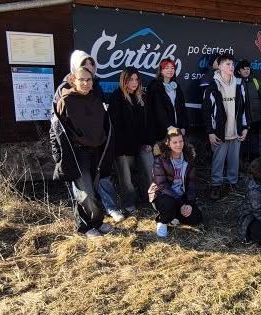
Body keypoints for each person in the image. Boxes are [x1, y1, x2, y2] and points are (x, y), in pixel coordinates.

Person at [54, 50, 121, 220]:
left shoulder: (95, 91)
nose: (89, 67)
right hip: (77, 151)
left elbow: (102, 119)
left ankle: (99, 219)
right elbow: (56, 126)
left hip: (96, 148)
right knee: (83, 190)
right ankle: (85, 224)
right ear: (74, 77)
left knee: (97, 183)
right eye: (85, 64)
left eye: (91, 64)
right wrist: (58, 154)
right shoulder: (64, 94)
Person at [108, 69, 155, 214]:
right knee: (126, 178)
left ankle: (150, 198)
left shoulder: (143, 96)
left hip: (142, 143)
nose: (134, 83)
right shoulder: (116, 97)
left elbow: (149, 122)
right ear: (124, 81)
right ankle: (129, 203)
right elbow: (115, 125)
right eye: (130, 80)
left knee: (149, 170)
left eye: (136, 79)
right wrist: (122, 147)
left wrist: (149, 142)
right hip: (123, 146)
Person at [202, 55, 248, 199]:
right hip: (220, 132)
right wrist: (210, 132)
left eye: (232, 64)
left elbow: (244, 108)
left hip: (236, 131)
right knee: (218, 160)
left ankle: (232, 184)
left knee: (234, 160)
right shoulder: (212, 86)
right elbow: (207, 111)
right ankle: (216, 185)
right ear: (220, 66)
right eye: (227, 64)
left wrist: (245, 127)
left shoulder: (239, 84)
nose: (231, 66)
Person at [150, 127, 203, 238]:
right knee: (169, 204)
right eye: (175, 142)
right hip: (163, 195)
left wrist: (189, 204)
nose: (179, 145)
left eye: (180, 141)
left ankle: (174, 216)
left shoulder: (188, 157)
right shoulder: (160, 159)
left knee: (196, 218)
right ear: (168, 144)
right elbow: (162, 185)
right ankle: (162, 221)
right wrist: (181, 204)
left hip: (181, 196)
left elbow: (191, 183)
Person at [146, 58, 189, 144]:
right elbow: (158, 110)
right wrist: (169, 127)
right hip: (162, 133)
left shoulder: (176, 86)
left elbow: (182, 107)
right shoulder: (155, 86)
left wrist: (183, 126)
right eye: (167, 68)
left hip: (177, 132)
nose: (170, 70)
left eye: (172, 68)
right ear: (161, 71)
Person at [236, 59, 261, 162]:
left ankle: (254, 162)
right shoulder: (235, 82)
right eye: (243, 69)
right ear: (239, 71)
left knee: (254, 139)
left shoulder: (255, 81)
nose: (246, 71)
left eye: (248, 69)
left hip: (255, 118)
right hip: (242, 119)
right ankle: (243, 162)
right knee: (243, 140)